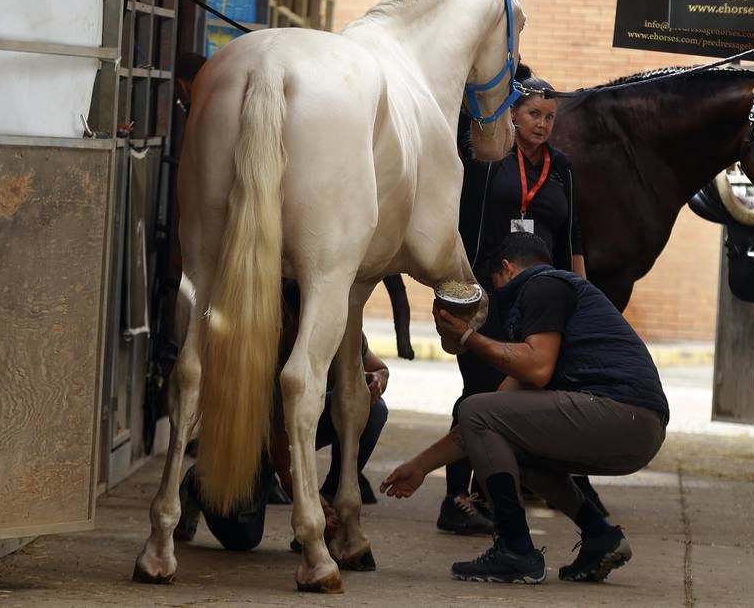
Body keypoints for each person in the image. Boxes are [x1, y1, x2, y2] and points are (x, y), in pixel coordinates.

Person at [382, 232, 668, 585]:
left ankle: (515, 549)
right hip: (634, 426)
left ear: (506, 268)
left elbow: (537, 367)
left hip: (620, 413)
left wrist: (469, 338)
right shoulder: (553, 305)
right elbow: (485, 420)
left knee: (476, 409)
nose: (498, 295)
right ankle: (600, 535)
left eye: (496, 283)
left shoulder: (542, 285)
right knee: (502, 434)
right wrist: (420, 467)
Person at [438, 73, 589, 536]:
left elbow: (571, 238)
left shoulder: (560, 167)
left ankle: (489, 495)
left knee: (520, 395)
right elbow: (460, 224)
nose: (542, 125)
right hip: (488, 291)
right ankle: (454, 498)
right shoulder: (488, 159)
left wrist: (582, 296)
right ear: (513, 115)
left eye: (549, 117)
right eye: (533, 115)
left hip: (542, 297)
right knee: (481, 390)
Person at [177, 282, 390, 551]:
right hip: (257, 446)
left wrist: (377, 380)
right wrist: (314, 511)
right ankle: (199, 482)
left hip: (302, 426)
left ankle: (329, 494)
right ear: (286, 320)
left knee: (374, 409)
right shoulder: (272, 356)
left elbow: (379, 368)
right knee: (243, 540)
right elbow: (282, 454)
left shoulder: (340, 332)